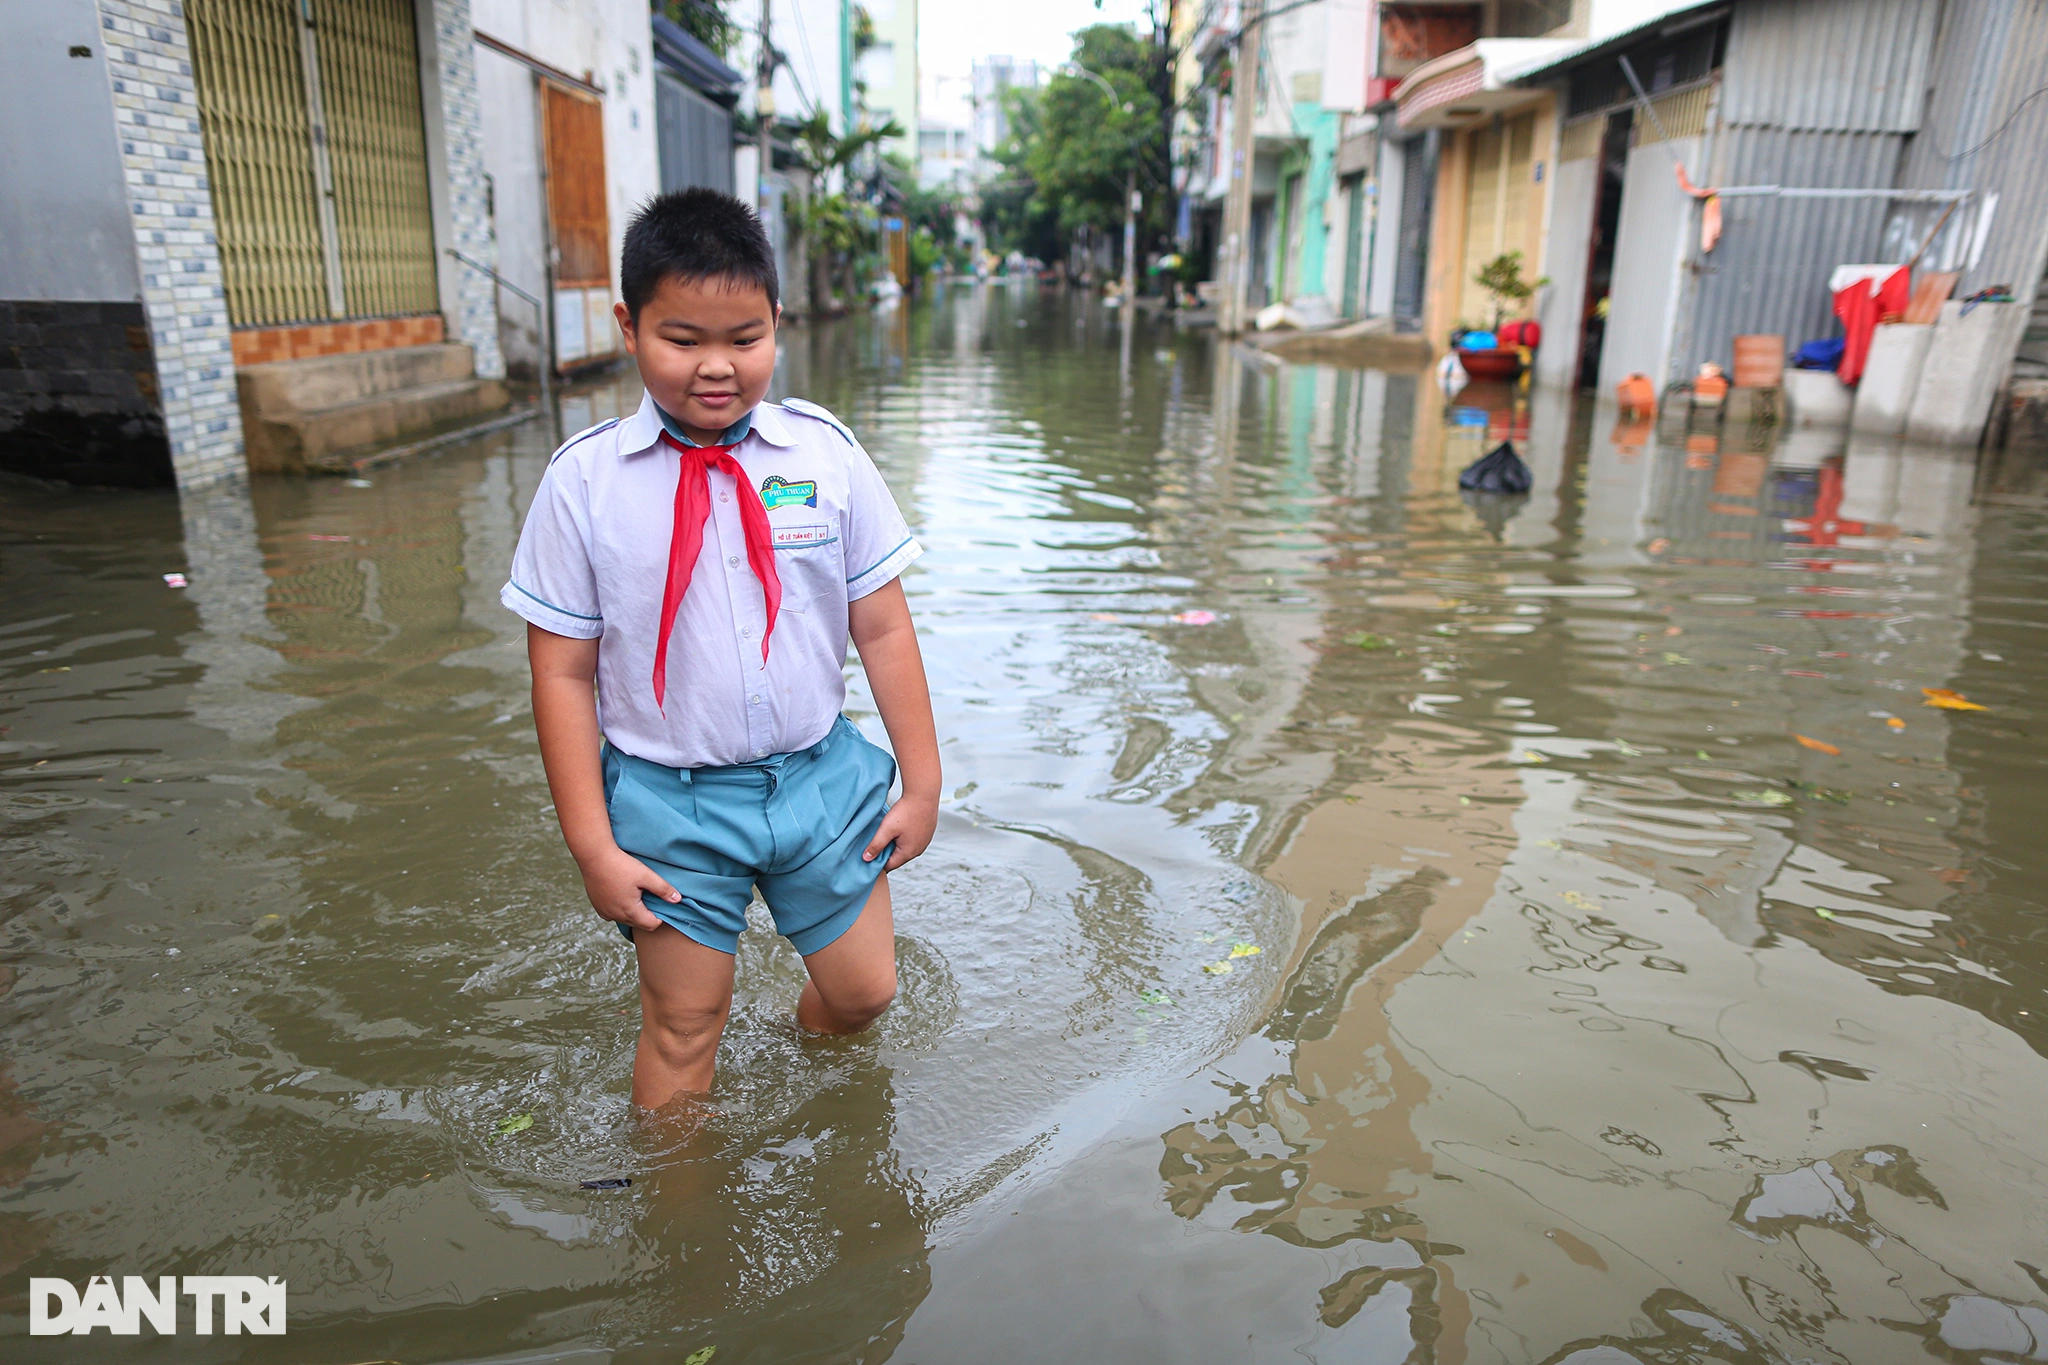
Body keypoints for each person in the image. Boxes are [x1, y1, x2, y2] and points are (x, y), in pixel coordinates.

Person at [501, 188, 939, 1112]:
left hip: (820, 782)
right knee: (685, 1026)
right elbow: (562, 671)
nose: (716, 367)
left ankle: (805, 1072)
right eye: (682, 338)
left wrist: (925, 782)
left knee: (866, 994)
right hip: (671, 803)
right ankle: (677, 1224)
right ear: (628, 327)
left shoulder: (824, 456)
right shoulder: (584, 484)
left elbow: (885, 625)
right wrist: (592, 846)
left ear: (777, 322)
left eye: (744, 339)